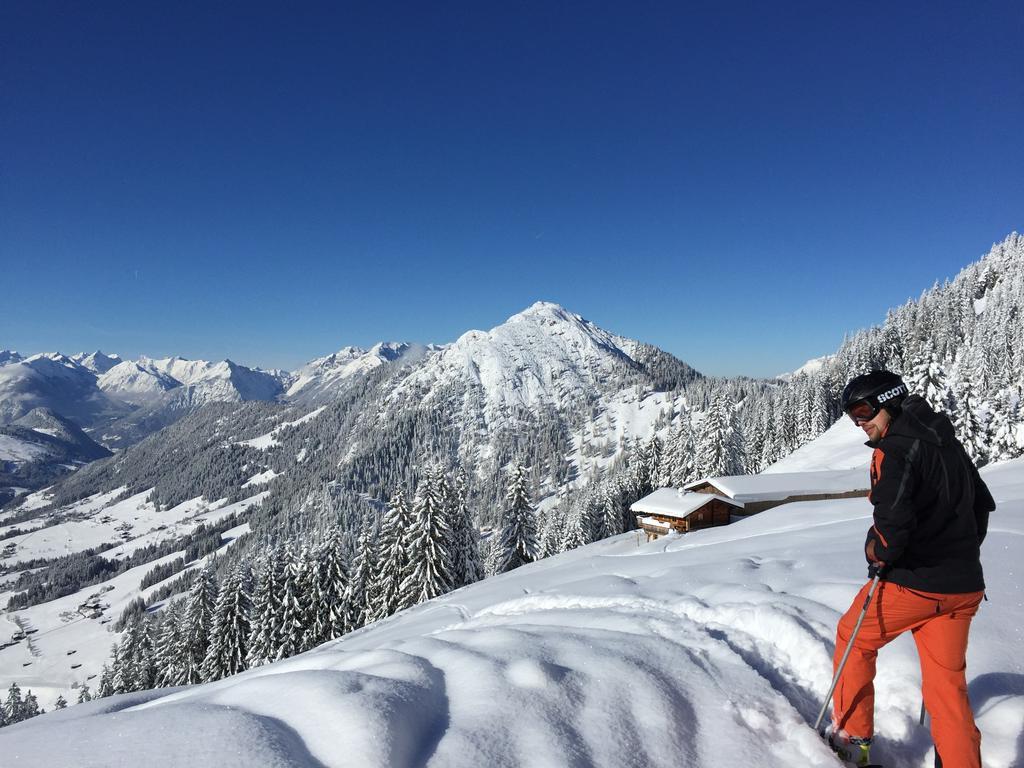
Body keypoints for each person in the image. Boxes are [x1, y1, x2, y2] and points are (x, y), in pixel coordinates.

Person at [827, 370, 994, 768]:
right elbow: (981, 505)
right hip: (963, 587)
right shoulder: (946, 440)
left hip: (913, 585)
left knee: (853, 637)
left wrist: (875, 550)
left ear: (891, 401)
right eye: (852, 415)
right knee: (946, 687)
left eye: (864, 410)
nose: (860, 422)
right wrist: (958, 554)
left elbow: (891, 532)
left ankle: (853, 738)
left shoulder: (894, 450)